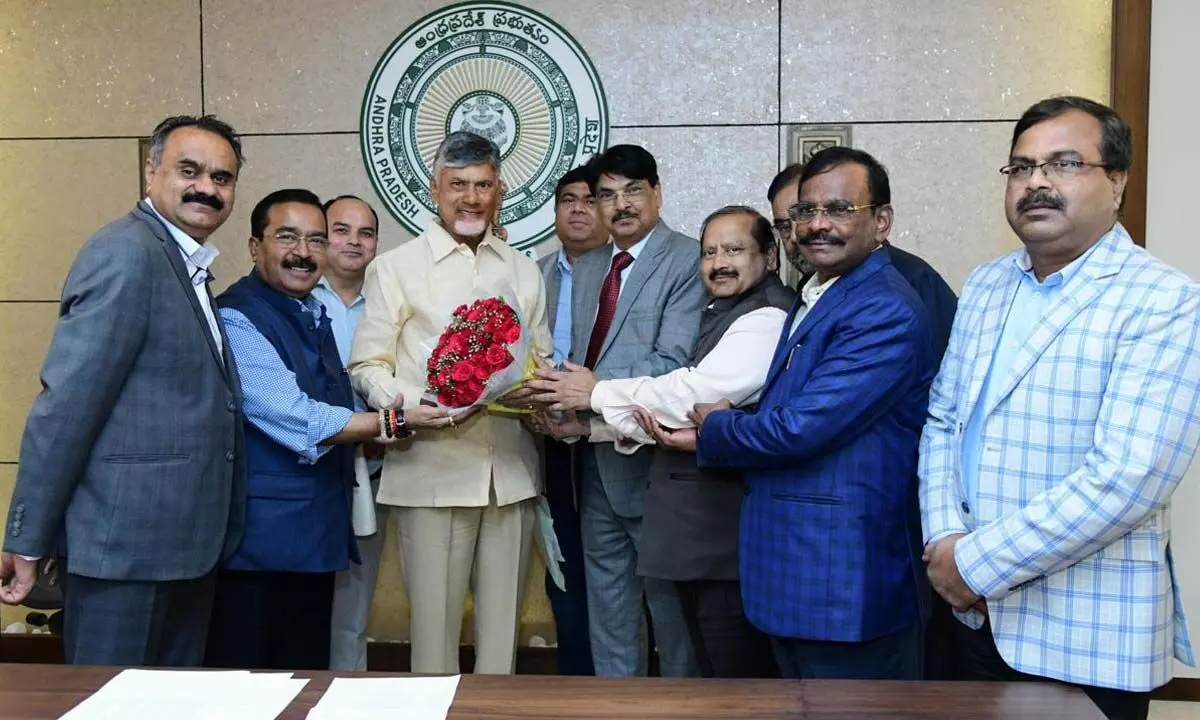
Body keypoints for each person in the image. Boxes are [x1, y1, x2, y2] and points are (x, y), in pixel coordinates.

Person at [920, 95, 1200, 720]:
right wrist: (944, 540)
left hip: (1085, 632)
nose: (1037, 182)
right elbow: (944, 420)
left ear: (1118, 180)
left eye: (1065, 163)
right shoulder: (989, 283)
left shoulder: (1165, 301)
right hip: (969, 618)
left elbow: (1129, 477)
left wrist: (977, 563)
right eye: (1021, 167)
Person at [0, 115, 246, 666]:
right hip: (124, 553)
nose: (206, 187)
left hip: (185, 549)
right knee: (107, 706)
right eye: (189, 170)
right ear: (150, 172)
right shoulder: (126, 253)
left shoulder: (185, 264)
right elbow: (66, 407)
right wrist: (27, 536)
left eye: (222, 177)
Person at [692, 147, 935, 680]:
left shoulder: (883, 307)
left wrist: (716, 424)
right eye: (805, 213)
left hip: (842, 580)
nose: (818, 224)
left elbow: (801, 428)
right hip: (803, 575)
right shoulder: (824, 291)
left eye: (841, 209)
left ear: (882, 220)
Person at [537, 205, 791, 678]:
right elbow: (670, 420)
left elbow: (692, 394)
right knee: (708, 659)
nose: (720, 262)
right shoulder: (722, 310)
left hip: (724, 534)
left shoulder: (766, 317)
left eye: (735, 249)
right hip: (701, 530)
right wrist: (590, 427)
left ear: (770, 256)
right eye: (710, 252)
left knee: (728, 673)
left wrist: (596, 393)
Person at [203, 189, 438, 671]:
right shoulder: (238, 316)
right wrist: (393, 420)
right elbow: (294, 414)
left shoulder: (310, 312)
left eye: (315, 239)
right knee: (250, 680)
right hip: (262, 541)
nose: (303, 252)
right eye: (287, 237)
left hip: (312, 533)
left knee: (303, 672)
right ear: (254, 247)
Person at [349, 131, 552, 675]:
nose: (471, 197)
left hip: (510, 472)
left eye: (483, 184)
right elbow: (368, 365)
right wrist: (427, 402)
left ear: (499, 190)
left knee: (500, 643)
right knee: (433, 645)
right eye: (457, 184)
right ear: (434, 188)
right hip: (430, 468)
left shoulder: (523, 269)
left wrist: (540, 391)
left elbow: (540, 358)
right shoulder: (395, 267)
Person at [525, 144, 703, 677]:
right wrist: (558, 403)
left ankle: (680, 713)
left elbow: (673, 363)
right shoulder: (590, 265)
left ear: (656, 192)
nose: (620, 204)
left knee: (670, 612)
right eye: (607, 195)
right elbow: (579, 358)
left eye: (632, 191)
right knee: (608, 606)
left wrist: (594, 389)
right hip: (592, 463)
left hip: (655, 467)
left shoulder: (687, 259)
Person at [534, 165, 609, 675]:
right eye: (567, 199)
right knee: (561, 565)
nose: (578, 209)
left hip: (608, 439)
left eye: (590, 199)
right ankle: (574, 680)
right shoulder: (530, 274)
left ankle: (617, 686)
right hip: (541, 442)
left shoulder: (620, 272)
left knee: (609, 570)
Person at [315, 194, 385, 671]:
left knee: (354, 603)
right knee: (300, 601)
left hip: (374, 467)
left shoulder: (389, 301)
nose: (353, 242)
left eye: (365, 233)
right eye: (341, 230)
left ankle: (346, 695)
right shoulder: (291, 294)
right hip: (306, 469)